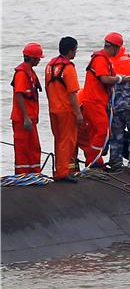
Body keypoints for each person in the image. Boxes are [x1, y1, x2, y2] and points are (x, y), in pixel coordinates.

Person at [78, 32, 130, 168]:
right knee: (102, 130)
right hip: (93, 101)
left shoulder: (105, 59)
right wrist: (121, 78)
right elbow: (104, 78)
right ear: (114, 47)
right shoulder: (101, 59)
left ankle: (95, 161)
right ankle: (93, 162)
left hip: (98, 101)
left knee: (95, 132)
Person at [44, 37, 83, 182]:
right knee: (67, 141)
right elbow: (72, 93)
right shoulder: (68, 68)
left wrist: (52, 104)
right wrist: (78, 113)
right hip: (66, 110)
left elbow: (48, 89)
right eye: (75, 50)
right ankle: (63, 172)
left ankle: (59, 169)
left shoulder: (50, 65)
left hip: (53, 109)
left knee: (58, 140)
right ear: (71, 50)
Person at [10, 42, 44, 175]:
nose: (40, 60)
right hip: (23, 119)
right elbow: (19, 94)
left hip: (30, 118)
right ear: (32, 58)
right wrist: (26, 117)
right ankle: (22, 175)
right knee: (23, 148)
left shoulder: (30, 72)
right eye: (38, 58)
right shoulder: (22, 73)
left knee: (34, 147)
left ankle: (34, 173)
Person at [109, 45, 130, 171]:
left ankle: (115, 162)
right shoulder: (128, 60)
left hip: (114, 105)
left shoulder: (105, 62)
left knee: (116, 136)